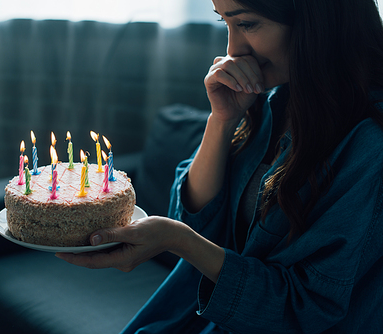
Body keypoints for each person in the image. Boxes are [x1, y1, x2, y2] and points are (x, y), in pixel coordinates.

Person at [56, 0, 383, 332]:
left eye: (246, 24)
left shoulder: (371, 145)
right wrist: (221, 120)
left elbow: (308, 308)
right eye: (225, 23)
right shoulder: (275, 100)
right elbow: (193, 218)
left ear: (317, 22)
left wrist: (179, 240)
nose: (232, 49)